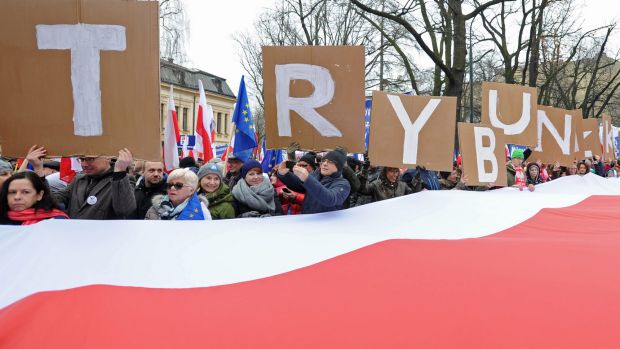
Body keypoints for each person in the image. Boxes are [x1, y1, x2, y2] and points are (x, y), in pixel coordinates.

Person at [45, 146, 137, 219]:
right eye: (82, 159)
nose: (84, 164)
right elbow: (50, 200)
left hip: (103, 239)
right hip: (74, 237)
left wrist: (120, 172)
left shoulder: (123, 179)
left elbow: (124, 210)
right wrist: (39, 171)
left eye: (90, 159)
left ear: (108, 158)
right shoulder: (78, 180)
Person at [277, 149, 351, 214]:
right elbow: (300, 184)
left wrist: (307, 178)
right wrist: (284, 174)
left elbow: (330, 199)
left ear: (339, 167)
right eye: (324, 161)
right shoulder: (316, 175)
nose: (325, 164)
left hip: (327, 225)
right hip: (308, 220)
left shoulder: (343, 184)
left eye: (331, 162)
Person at [0, 171, 68, 225]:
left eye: (26, 192)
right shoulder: (2, 218)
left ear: (39, 195)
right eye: (12, 192)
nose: (17, 197)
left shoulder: (57, 221)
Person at [145, 168, 211, 220]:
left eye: (178, 185)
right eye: (170, 185)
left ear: (191, 190)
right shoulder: (155, 207)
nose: (172, 188)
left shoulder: (201, 210)